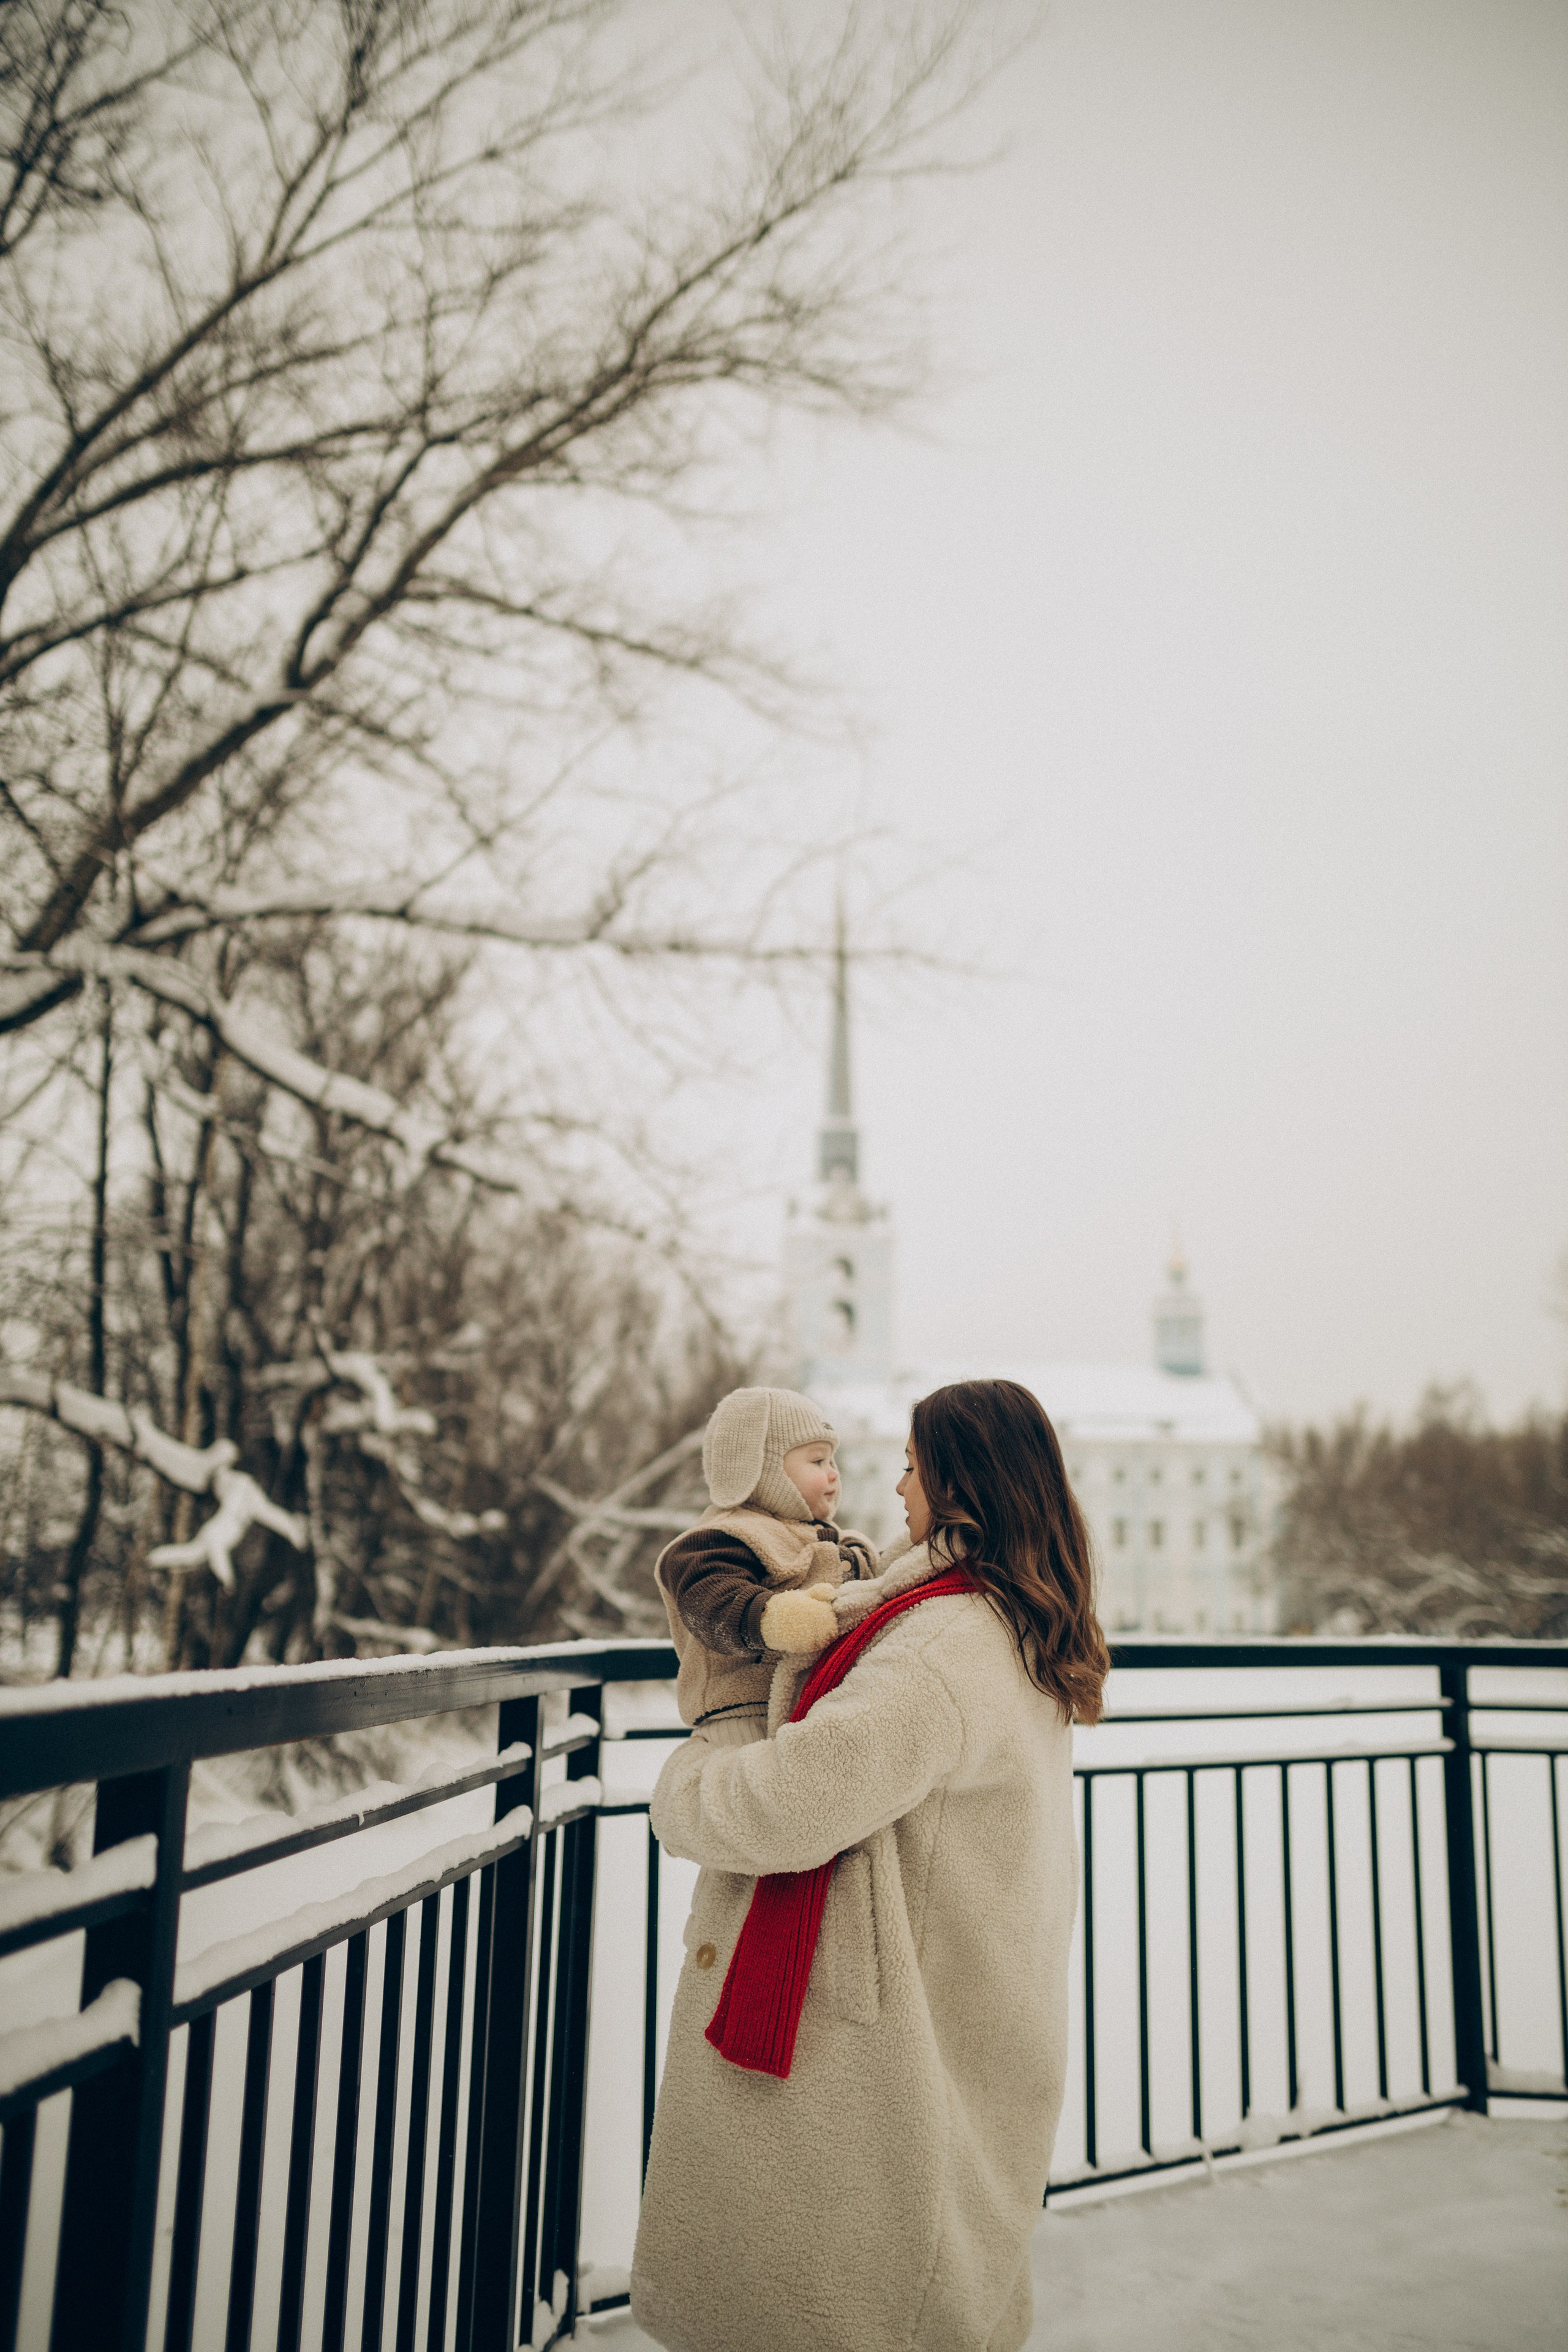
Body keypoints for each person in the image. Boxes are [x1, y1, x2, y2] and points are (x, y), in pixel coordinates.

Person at [632, 1378, 1110, 2352]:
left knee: (843, 2308)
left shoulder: (940, 1647)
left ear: (958, 1485)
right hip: (962, 1994)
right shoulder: (1006, 1619)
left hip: (881, 2041)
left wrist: (687, 1783)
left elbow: (789, 1803)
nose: (894, 1490)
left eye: (910, 1468)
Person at [655, 1387, 877, 1746]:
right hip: (743, 1717)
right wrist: (773, 1619)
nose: (834, 1474)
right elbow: (707, 1601)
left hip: (811, 1711)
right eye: (818, 1462)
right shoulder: (725, 1536)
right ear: (761, 1469)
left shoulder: (831, 1538)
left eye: (832, 1461)